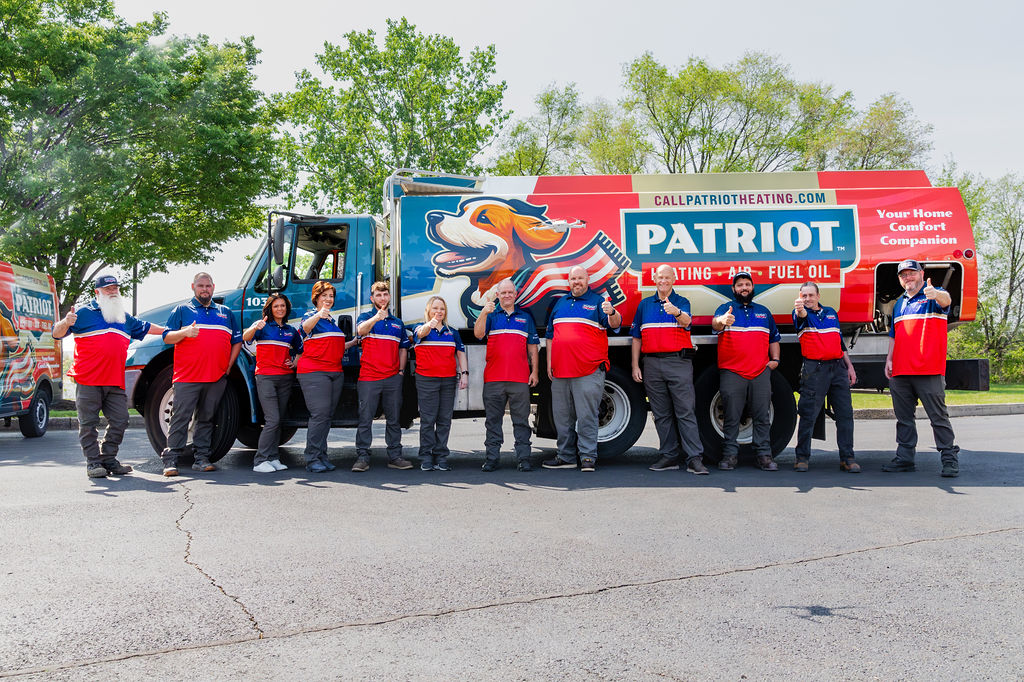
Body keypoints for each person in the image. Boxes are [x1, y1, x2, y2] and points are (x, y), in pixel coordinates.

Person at [52, 274, 164, 478]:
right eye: (108, 288)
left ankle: (109, 458)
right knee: (88, 424)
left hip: (114, 380)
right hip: (88, 380)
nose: (113, 291)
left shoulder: (123, 316)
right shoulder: (84, 312)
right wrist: (66, 322)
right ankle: (93, 464)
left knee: (121, 420)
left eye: (115, 288)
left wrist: (169, 332)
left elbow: (147, 328)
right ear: (97, 292)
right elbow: (57, 333)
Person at [883, 259, 960, 477]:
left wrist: (936, 294)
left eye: (911, 273)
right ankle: (905, 458)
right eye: (903, 275)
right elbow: (894, 335)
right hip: (900, 371)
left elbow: (946, 301)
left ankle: (949, 459)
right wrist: (889, 359)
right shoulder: (899, 303)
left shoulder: (933, 295)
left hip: (928, 370)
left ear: (921, 273)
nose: (908, 277)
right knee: (904, 419)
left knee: (938, 418)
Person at [160, 272, 242, 476]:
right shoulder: (181, 310)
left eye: (208, 286)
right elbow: (167, 337)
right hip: (187, 377)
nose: (204, 289)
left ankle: (201, 458)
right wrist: (184, 333)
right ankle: (171, 461)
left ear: (213, 288)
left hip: (216, 377)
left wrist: (228, 366)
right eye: (200, 286)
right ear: (193, 287)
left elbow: (237, 341)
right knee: (180, 419)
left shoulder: (226, 312)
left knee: (206, 419)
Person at [542, 265, 621, 472]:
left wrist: (612, 311)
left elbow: (614, 324)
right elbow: (550, 336)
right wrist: (550, 363)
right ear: (569, 281)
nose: (576, 282)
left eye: (580, 278)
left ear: (587, 280)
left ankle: (587, 457)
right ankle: (566, 456)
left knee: (587, 416)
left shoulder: (597, 302)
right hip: (560, 371)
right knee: (562, 417)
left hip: (588, 370)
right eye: (573, 279)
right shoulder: (561, 303)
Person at [631, 264, 707, 475]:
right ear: (654, 279)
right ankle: (669, 455)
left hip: (678, 363)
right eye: (660, 277)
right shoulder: (644, 305)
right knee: (661, 414)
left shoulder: (682, 302)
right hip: (652, 364)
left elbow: (687, 322)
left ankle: (694, 459)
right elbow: (636, 337)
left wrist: (677, 312)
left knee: (685, 412)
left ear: (674, 279)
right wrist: (635, 365)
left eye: (667, 277)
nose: (663, 281)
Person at [711, 271, 781, 471]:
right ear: (734, 289)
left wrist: (775, 360)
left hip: (760, 372)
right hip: (732, 372)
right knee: (731, 416)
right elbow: (714, 324)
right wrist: (722, 320)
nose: (744, 288)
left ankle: (764, 456)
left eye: (747, 284)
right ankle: (730, 456)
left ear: (752, 287)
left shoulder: (763, 312)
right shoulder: (725, 309)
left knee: (762, 416)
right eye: (740, 285)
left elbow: (774, 338)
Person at [473, 278, 540, 472]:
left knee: (521, 421)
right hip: (493, 379)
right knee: (493, 422)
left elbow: (533, 347)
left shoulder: (525, 317)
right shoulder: (491, 315)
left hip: (519, 378)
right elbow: (478, 334)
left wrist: (534, 371)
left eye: (510, 292)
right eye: (503, 293)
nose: (507, 295)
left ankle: (524, 459)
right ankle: (492, 458)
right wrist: (484, 312)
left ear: (515, 294)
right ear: (498, 295)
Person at [792, 281, 859, 473]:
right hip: (815, 369)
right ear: (799, 297)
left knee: (845, 414)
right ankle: (802, 458)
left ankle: (847, 458)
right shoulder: (799, 314)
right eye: (804, 296)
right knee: (808, 414)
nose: (808, 299)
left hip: (837, 368)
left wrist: (849, 366)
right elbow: (801, 315)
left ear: (818, 296)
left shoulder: (831, 312)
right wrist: (800, 310)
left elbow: (839, 342)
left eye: (811, 295)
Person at [295, 281, 357, 473]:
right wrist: (317, 315)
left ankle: (322, 455)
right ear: (316, 298)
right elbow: (303, 330)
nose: (328, 299)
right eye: (324, 296)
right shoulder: (311, 317)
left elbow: (335, 346)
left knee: (326, 417)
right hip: (314, 372)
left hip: (334, 372)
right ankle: (312, 458)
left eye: (331, 296)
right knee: (319, 415)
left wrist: (353, 342)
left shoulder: (331, 320)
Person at [353, 281, 414, 472]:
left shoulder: (398, 323)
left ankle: (395, 456)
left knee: (394, 419)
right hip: (369, 377)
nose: (382, 298)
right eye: (378, 295)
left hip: (392, 378)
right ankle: (362, 457)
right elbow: (360, 331)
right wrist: (376, 319)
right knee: (365, 419)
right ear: (372, 299)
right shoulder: (365, 317)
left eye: (385, 294)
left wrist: (401, 372)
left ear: (389, 297)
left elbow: (403, 348)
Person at [241, 293, 302, 473]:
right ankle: (260, 461)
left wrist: (295, 362)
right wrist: (254, 327)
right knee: (272, 420)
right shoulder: (263, 327)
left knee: (279, 421)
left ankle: (273, 458)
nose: (280, 309)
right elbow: (246, 337)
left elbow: (300, 349)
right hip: (266, 377)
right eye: (276, 306)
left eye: (282, 306)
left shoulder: (291, 331)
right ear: (270, 308)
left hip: (285, 378)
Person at [413, 296, 468, 471]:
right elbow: (420, 334)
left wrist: (464, 374)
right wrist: (431, 323)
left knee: (444, 420)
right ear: (428, 310)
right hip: (426, 380)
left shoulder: (452, 332)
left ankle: (441, 456)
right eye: (435, 308)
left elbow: (460, 353)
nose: (439, 312)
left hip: (448, 379)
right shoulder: (420, 328)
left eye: (442, 309)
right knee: (428, 420)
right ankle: (426, 456)